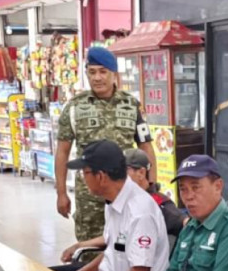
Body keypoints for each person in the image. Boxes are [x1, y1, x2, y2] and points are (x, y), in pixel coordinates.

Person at [54, 47, 156, 246]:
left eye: (103, 72)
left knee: (126, 246)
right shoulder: (75, 107)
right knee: (89, 249)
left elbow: (146, 147)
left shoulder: (131, 105)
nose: (97, 78)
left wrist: (151, 186)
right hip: (89, 195)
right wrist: (61, 193)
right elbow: (62, 152)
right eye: (92, 72)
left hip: (125, 191)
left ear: (114, 74)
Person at [68, 141, 169, 271]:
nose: (82, 179)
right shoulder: (113, 200)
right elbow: (112, 251)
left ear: (101, 176)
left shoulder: (140, 212)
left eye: (84, 173)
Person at [124, 147, 185, 236]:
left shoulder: (159, 203)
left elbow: (185, 224)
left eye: (123, 171)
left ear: (141, 173)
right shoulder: (124, 200)